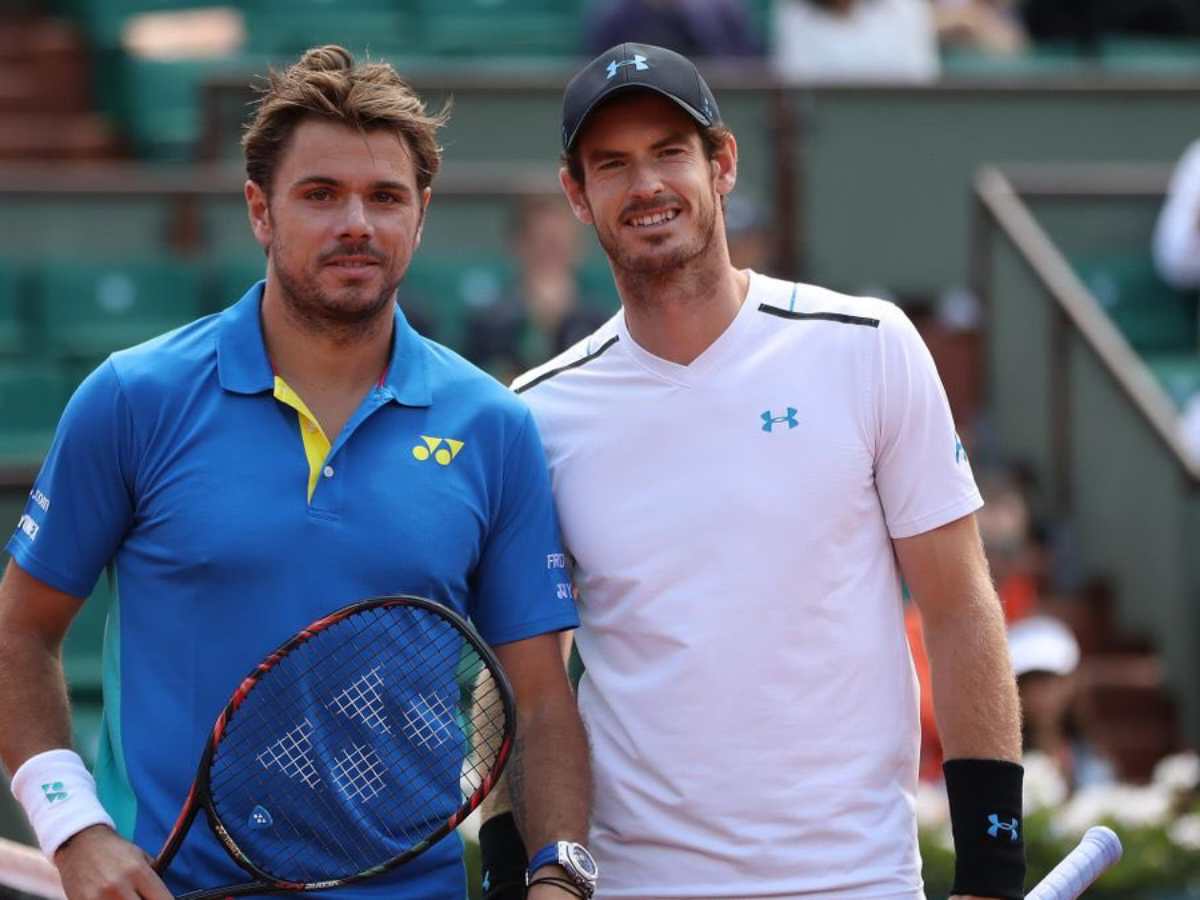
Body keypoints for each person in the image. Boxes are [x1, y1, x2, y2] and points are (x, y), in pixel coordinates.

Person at [0, 46, 589, 900]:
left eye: (385, 198)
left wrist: (557, 876)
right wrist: (75, 830)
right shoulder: (133, 399)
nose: (357, 223)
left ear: (420, 218)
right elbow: (19, 634)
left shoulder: (494, 427)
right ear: (259, 211)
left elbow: (539, 701)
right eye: (320, 195)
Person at [484, 42, 1025, 900]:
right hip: (633, 884)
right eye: (613, 164)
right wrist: (524, 871)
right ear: (576, 197)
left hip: (856, 881)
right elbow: (522, 674)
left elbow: (960, 609)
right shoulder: (536, 412)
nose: (648, 185)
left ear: (722, 163)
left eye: (670, 152)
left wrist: (993, 871)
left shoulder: (871, 346)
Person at [465, 195, 610, 386]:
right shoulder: (489, 322)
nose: (551, 256)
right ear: (519, 246)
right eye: (541, 244)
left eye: (559, 245)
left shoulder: (599, 321)